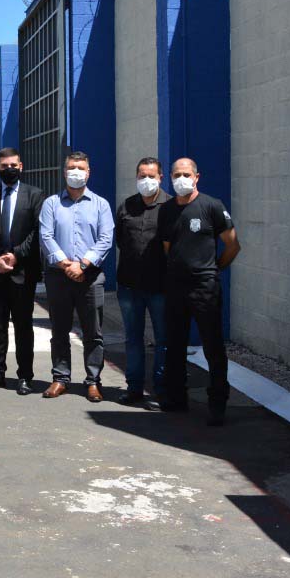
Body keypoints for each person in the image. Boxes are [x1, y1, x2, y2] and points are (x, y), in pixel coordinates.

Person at [157, 158, 241, 425]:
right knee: (174, 345)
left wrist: (213, 269)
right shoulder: (166, 209)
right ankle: (176, 398)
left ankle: (217, 403)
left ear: (196, 177)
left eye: (186, 174)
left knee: (212, 346)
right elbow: (168, 248)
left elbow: (232, 245)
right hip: (175, 287)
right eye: (176, 175)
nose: (181, 179)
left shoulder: (212, 206)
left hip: (205, 288)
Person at [39, 152, 114, 403]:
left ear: (88, 172)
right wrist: (66, 264)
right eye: (72, 167)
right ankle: (60, 378)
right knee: (59, 330)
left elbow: (105, 239)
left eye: (81, 168)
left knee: (93, 332)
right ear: (64, 172)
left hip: (90, 277)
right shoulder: (51, 204)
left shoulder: (101, 205)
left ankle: (93, 381)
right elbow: (46, 236)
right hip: (58, 276)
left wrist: (82, 265)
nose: (76, 172)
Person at [0, 147, 45, 395]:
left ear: (21, 166)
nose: (9, 169)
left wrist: (16, 255)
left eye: (13, 165)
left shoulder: (34, 195)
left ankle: (25, 376)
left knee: (23, 326)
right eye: (4, 166)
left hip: (22, 272)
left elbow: (37, 231)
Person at [114, 157, 170, 405]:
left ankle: (161, 390)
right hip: (129, 285)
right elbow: (120, 239)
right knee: (133, 338)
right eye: (142, 176)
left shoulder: (170, 206)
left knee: (163, 339)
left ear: (160, 178)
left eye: (151, 176)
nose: (146, 180)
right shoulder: (127, 206)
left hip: (161, 287)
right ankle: (134, 387)